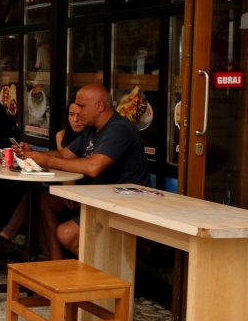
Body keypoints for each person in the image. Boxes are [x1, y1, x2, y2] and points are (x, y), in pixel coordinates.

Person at [18, 83, 149, 259]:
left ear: (100, 106)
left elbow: (93, 167)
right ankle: (58, 266)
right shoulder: (93, 130)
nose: (77, 111)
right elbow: (65, 154)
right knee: (44, 201)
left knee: (67, 233)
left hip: (123, 205)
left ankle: (104, 279)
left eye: (82, 106)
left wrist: (47, 160)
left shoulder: (118, 128)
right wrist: (33, 154)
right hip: (97, 200)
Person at [0, 102, 87, 254]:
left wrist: (70, 192)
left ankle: (6, 238)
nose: (75, 120)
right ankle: (8, 238)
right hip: (70, 189)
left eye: (79, 115)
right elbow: (63, 161)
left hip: (86, 192)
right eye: (71, 115)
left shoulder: (92, 137)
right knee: (35, 197)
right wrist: (32, 154)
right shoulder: (62, 135)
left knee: (37, 198)